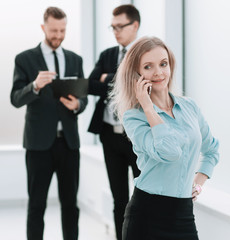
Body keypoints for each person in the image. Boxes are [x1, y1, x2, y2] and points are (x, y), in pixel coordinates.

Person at [110, 36, 220, 240]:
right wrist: (148, 107)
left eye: (163, 64)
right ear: (137, 75)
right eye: (148, 67)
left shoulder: (190, 107)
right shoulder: (134, 117)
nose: (158, 72)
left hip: (184, 214)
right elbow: (169, 152)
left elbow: (212, 150)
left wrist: (197, 183)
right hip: (147, 216)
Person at [10, 7, 88, 240]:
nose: (58, 35)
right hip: (38, 145)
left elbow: (83, 98)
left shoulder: (75, 60)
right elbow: (15, 99)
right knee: (36, 205)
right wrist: (34, 86)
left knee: (70, 205)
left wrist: (77, 106)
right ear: (44, 28)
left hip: (69, 144)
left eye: (62, 30)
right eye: (54, 30)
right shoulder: (25, 59)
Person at [87, 4, 140, 240]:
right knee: (119, 197)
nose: (116, 31)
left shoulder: (144, 54)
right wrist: (118, 79)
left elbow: (138, 83)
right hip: (109, 135)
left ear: (135, 25)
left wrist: (108, 77)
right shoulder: (108, 54)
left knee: (143, 195)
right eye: (113, 27)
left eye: (120, 26)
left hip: (138, 136)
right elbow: (91, 85)